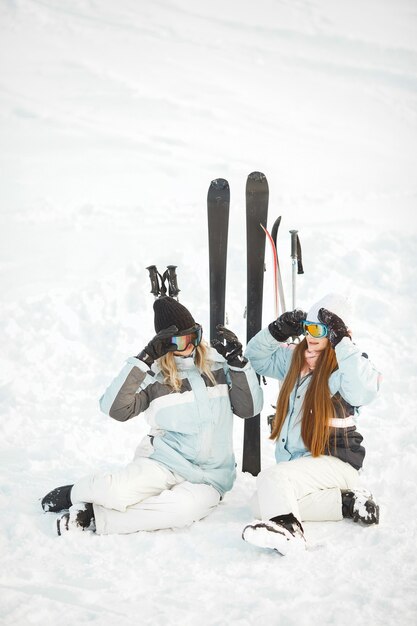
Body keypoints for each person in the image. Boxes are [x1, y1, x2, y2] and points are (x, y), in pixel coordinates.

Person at [41, 295, 263, 535]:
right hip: (164, 462)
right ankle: (75, 493)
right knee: (115, 492)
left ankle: (95, 516)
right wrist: (144, 359)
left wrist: (239, 363)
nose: (189, 344)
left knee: (179, 511)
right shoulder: (155, 376)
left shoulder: (218, 366)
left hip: (210, 477)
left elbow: (249, 408)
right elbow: (115, 409)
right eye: (179, 340)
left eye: (194, 335)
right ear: (165, 343)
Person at [241, 293, 381, 556]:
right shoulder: (295, 360)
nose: (311, 335)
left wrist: (345, 343)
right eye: (307, 327)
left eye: (319, 328)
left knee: (272, 479)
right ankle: (344, 503)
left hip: (336, 462)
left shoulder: (346, 367)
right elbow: (256, 357)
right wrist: (276, 331)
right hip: (301, 466)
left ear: (339, 333)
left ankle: (289, 530)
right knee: (260, 503)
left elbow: (363, 391)